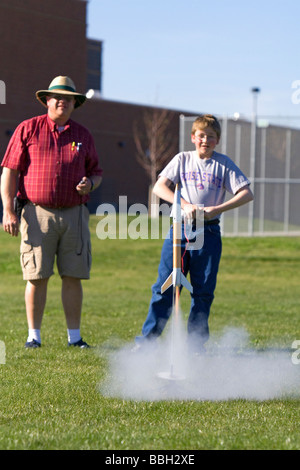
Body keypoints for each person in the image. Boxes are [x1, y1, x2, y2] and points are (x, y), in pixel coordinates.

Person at [135, 114, 254, 354]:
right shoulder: (182, 160)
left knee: (203, 291)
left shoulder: (223, 164)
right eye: (201, 136)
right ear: (193, 137)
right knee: (165, 287)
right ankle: (147, 342)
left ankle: (195, 347)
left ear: (217, 140)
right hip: (179, 231)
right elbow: (159, 187)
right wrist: (183, 204)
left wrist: (216, 210)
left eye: (211, 137)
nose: (205, 141)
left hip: (208, 233)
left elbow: (246, 193)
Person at [1, 76, 103, 349]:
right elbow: (9, 171)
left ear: (74, 104)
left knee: (73, 276)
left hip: (75, 214)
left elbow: (96, 173)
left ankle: (75, 338)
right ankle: (33, 337)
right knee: (37, 276)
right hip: (36, 214)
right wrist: (7, 210)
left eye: (68, 98)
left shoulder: (83, 136)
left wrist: (90, 183)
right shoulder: (28, 129)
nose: (62, 101)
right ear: (47, 100)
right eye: (56, 97)